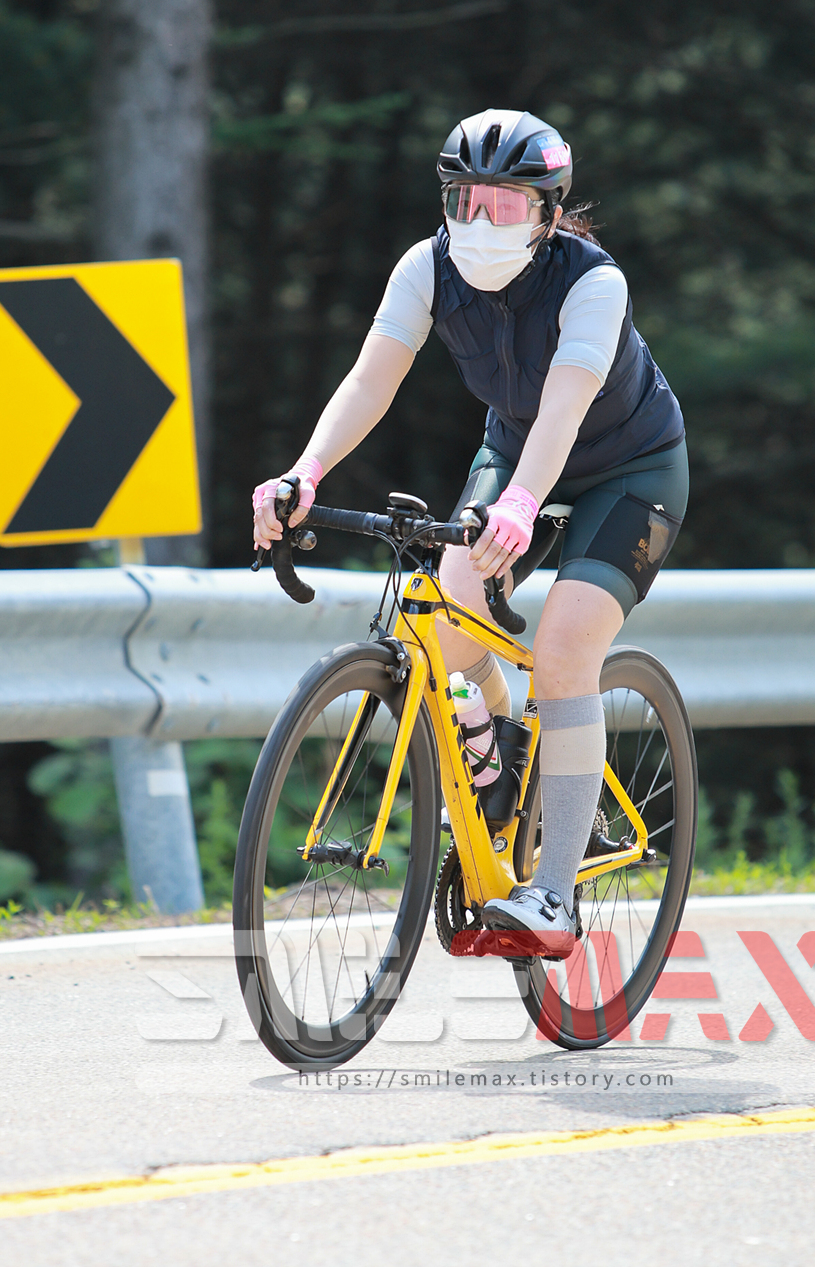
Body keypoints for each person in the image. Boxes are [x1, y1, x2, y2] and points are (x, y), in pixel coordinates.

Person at [253, 109, 687, 940]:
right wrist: (305, 472)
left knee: (563, 653)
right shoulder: (425, 266)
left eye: (507, 205)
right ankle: (501, 766)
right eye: (466, 201)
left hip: (630, 471)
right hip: (515, 450)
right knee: (449, 630)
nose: (482, 223)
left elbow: (565, 408)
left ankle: (552, 897)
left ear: (549, 214)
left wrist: (521, 504)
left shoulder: (595, 283)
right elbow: (370, 381)